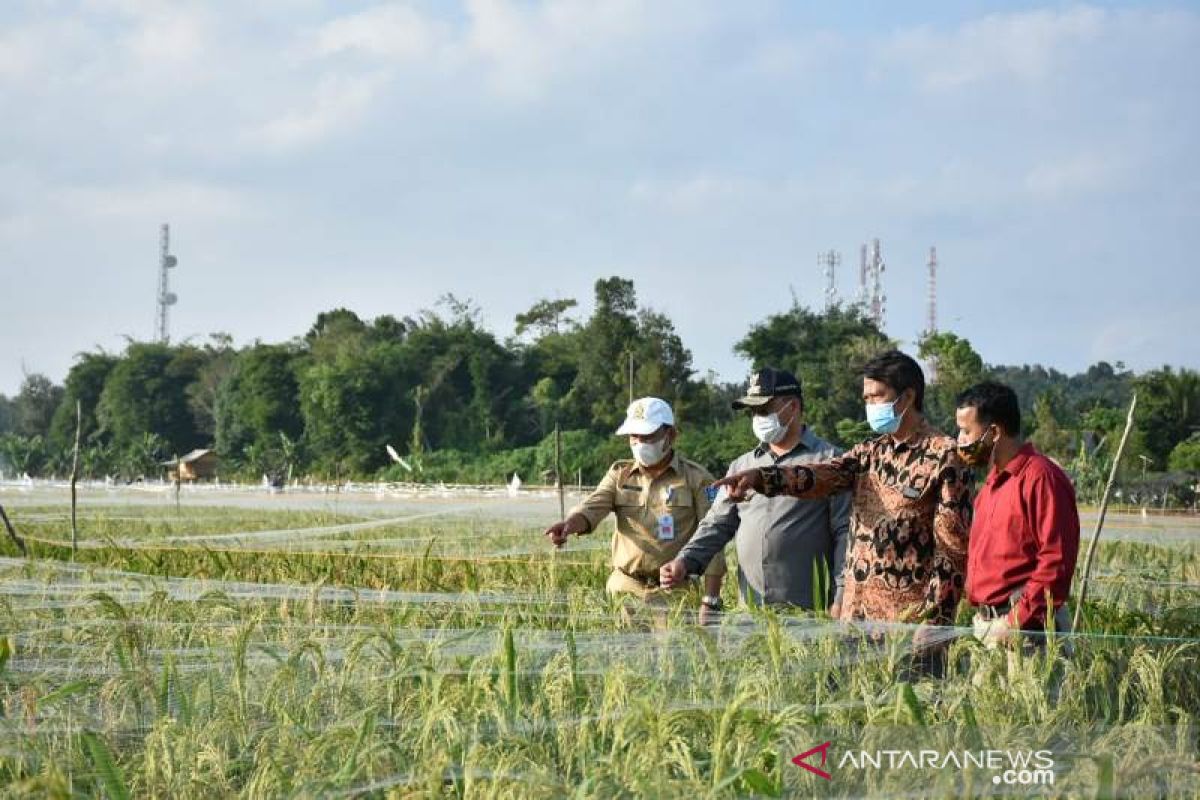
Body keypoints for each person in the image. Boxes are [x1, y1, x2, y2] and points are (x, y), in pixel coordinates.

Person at [711, 351, 973, 673]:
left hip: (909, 627)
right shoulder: (870, 453)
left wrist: (937, 620)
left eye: (878, 396)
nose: (871, 405)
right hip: (856, 623)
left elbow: (953, 549)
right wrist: (761, 478)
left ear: (907, 397)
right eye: (866, 397)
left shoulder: (944, 456)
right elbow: (821, 476)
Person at [659, 367, 851, 610]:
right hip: (751, 611)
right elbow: (717, 524)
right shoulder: (742, 465)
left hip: (809, 610)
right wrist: (684, 561)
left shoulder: (829, 461)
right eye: (753, 412)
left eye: (764, 410)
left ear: (792, 407)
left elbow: (845, 532)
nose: (757, 418)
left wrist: (842, 594)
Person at [544, 397, 726, 609]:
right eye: (634, 436)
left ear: (670, 435)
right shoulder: (619, 474)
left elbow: (713, 539)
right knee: (620, 643)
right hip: (624, 590)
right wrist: (569, 525)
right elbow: (592, 507)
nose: (639, 443)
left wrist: (710, 600)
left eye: (647, 436)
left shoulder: (698, 478)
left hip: (676, 593)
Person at [954, 381, 1080, 650]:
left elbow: (1056, 561)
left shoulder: (1040, 478)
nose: (960, 441)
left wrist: (1016, 620)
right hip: (988, 627)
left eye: (966, 431)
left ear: (995, 432)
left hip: (1028, 632)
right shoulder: (990, 485)